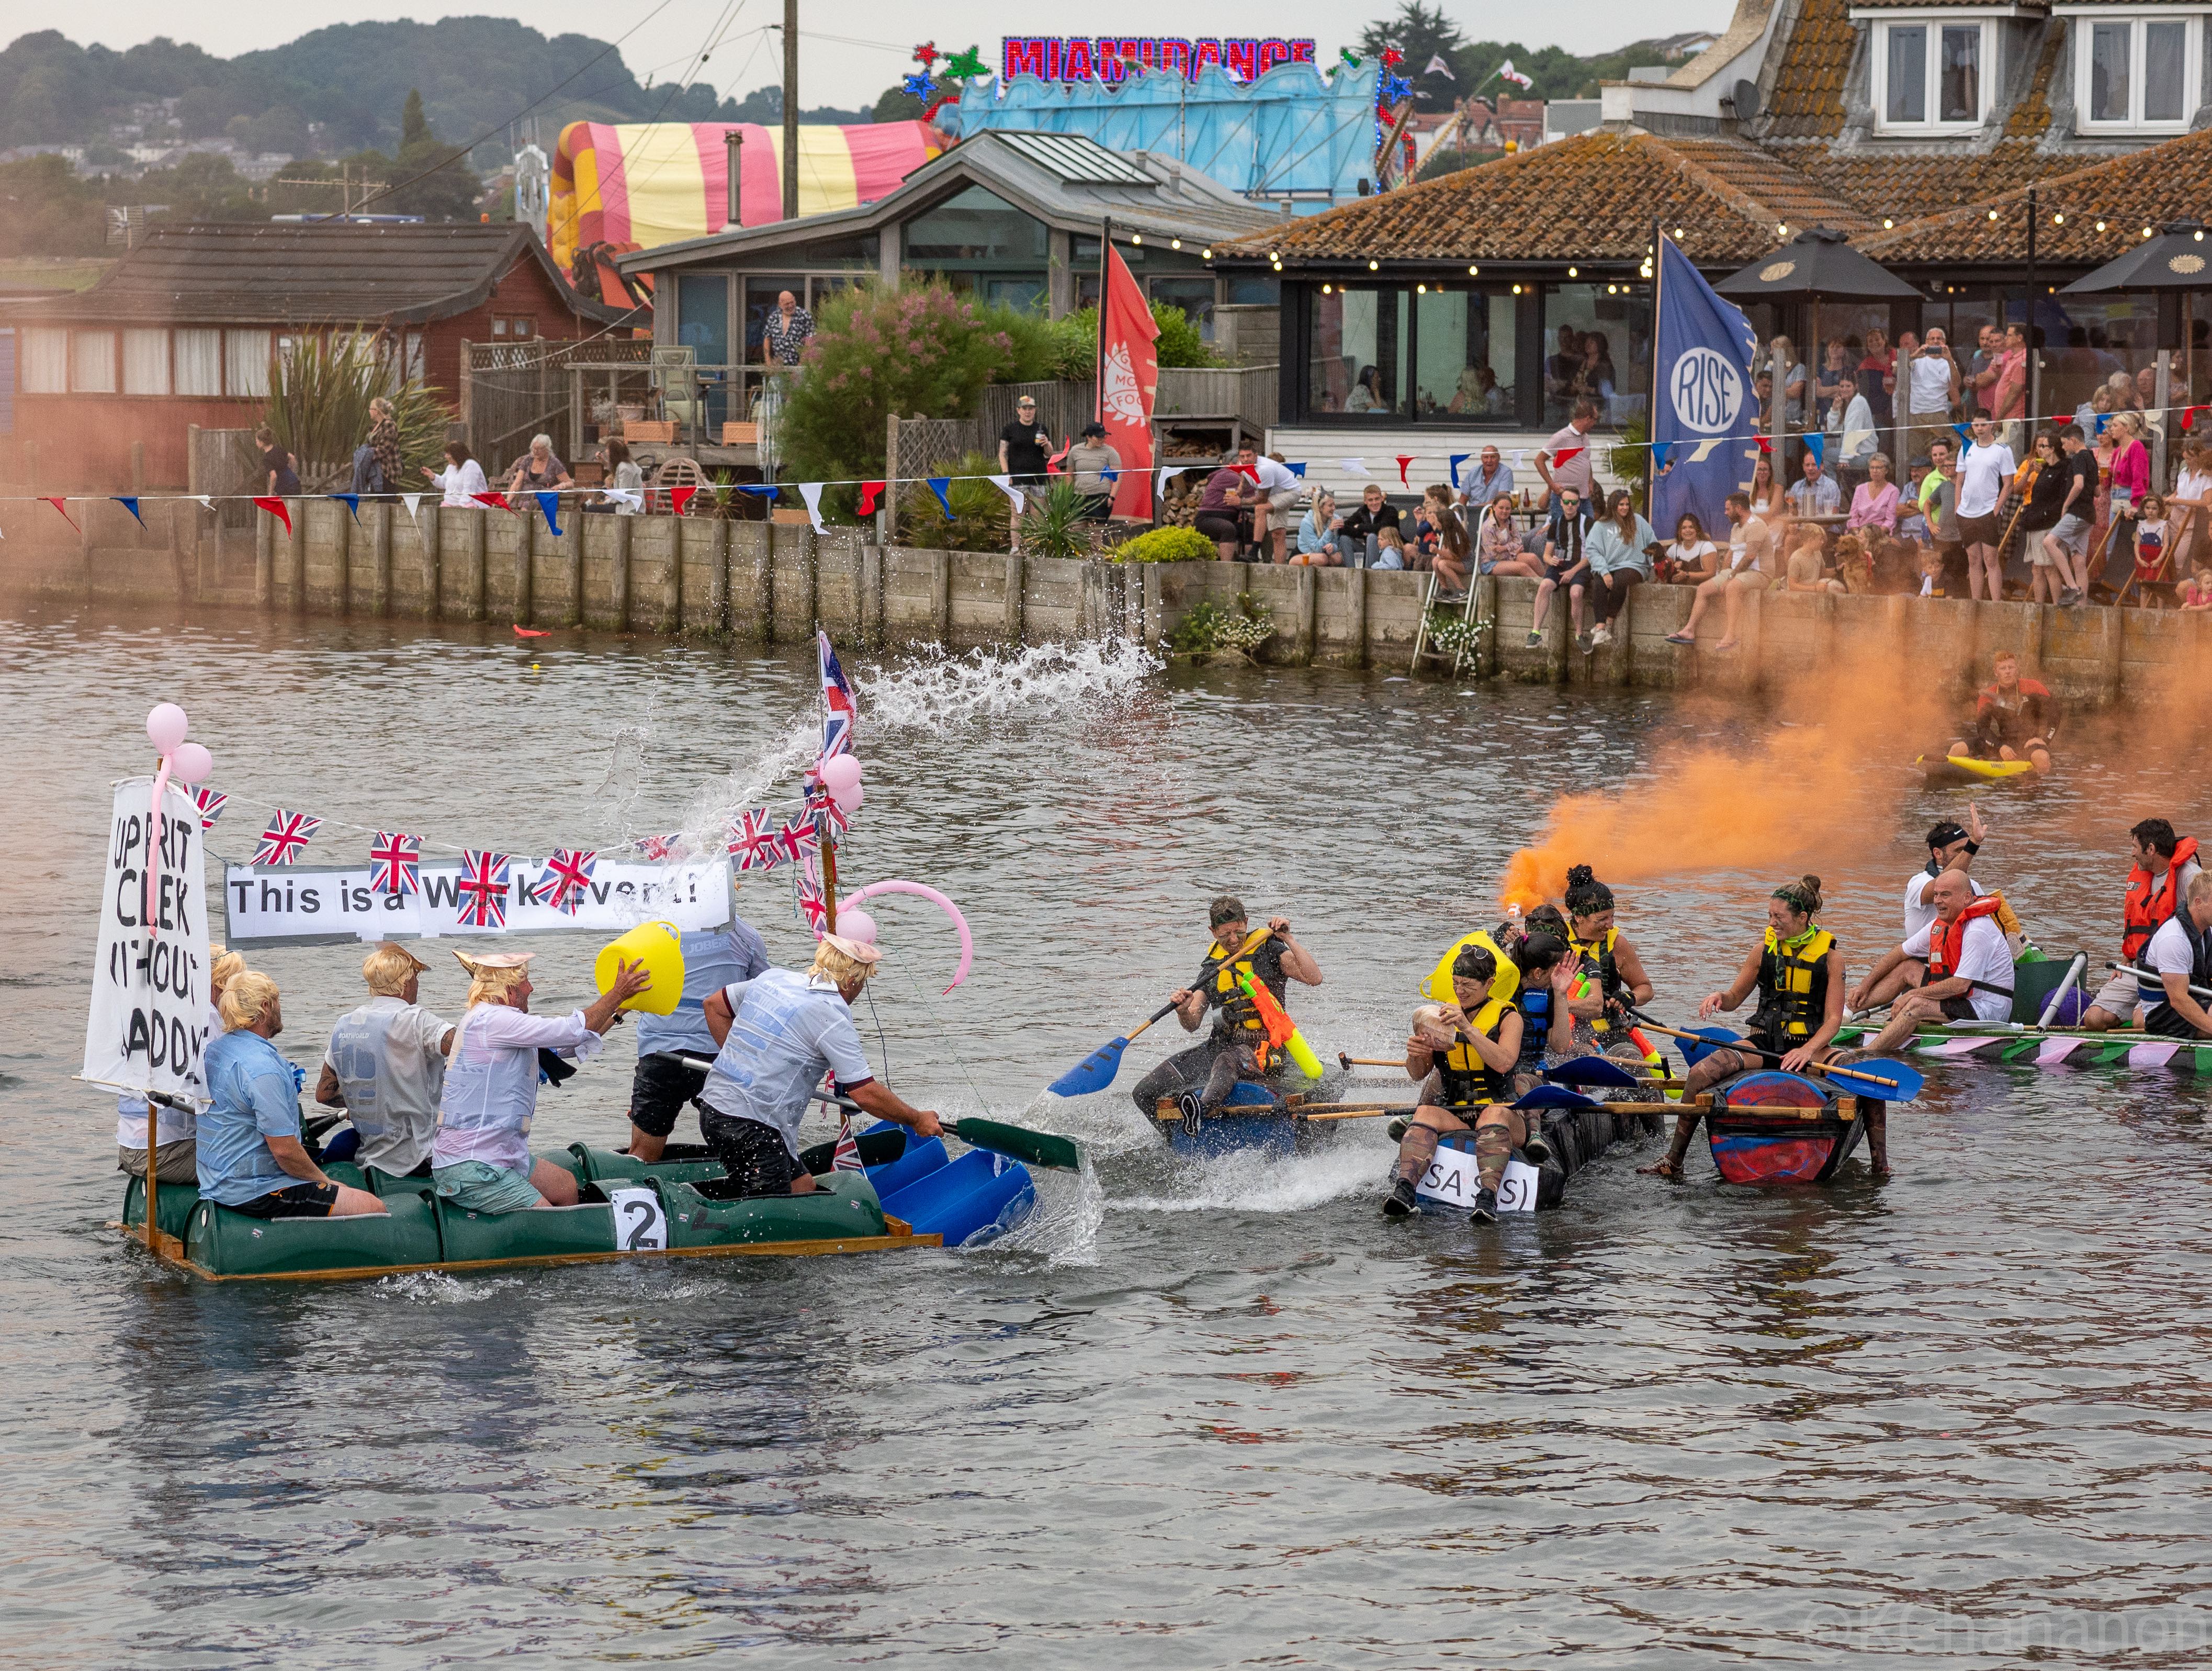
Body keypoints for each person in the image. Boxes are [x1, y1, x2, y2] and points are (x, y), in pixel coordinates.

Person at [1641, 877, 1858, 1179]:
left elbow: (1834, 1018)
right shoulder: (1762, 951)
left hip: (1811, 1047)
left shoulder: (1832, 959)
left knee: (1870, 1078)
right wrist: (1720, 998)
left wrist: (1807, 1050)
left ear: (1803, 918)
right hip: (1763, 1044)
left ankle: (1880, 1164)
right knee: (1700, 1073)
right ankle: (1674, 1160)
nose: (1772, 924)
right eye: (1770, 916)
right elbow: (1734, 998)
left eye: (1779, 918)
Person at [698, 933, 942, 1195]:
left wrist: (746, 1062)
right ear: (851, 981)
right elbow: (865, 1094)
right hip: (751, 1128)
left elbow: (714, 1006)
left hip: (712, 1109)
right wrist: (917, 1119)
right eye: (863, 984)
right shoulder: (831, 1015)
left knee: (803, 1187)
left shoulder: (775, 978)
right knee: (779, 1213)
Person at [430, 950, 650, 1212]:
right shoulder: (493, 1020)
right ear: (509, 989)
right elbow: (571, 1029)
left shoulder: (500, 1024)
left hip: (501, 1154)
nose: (531, 988)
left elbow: (570, 1042)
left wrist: (618, 1010)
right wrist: (617, 993)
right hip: (473, 1164)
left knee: (565, 1186)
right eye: (525, 982)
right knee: (548, 1216)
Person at [1380, 943, 1551, 1225]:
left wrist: (1468, 1028)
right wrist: (1415, 1055)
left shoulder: (1510, 1018)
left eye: (1468, 985)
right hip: (1457, 1113)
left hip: (1503, 1113)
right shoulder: (1439, 1017)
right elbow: (1418, 1074)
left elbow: (1505, 1063)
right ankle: (1405, 1192)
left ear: (1489, 984)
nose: (1460, 991)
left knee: (1493, 1114)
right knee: (1424, 1114)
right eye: (1457, 983)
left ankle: (1486, 1199)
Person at [198, 971, 387, 1219]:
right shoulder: (262, 1069)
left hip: (216, 1182)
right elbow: (285, 1151)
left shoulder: (214, 1051)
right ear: (266, 1007)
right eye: (277, 1001)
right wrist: (326, 1181)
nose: (280, 1008)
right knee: (373, 1207)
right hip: (256, 1191)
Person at [1128, 896, 1324, 1126]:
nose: (1233, 940)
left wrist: (1288, 938)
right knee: (1144, 1092)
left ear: (1246, 922)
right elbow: (1192, 1024)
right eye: (1225, 935)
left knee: (1226, 1060)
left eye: (1238, 931)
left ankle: (1200, 1109)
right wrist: (1182, 1010)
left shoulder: (1269, 949)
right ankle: (1174, 1143)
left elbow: (1314, 978)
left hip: (1264, 1050)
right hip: (1219, 1046)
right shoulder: (1212, 966)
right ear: (1213, 932)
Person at [625, 913, 772, 1164]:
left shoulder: (650, 932)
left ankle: (633, 1186)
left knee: (643, 1153)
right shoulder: (746, 937)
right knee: (740, 1147)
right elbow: (768, 994)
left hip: (659, 1053)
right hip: (715, 1057)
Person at [314, 943, 456, 1179]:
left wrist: (365, 1104)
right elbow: (466, 1046)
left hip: (369, 1155)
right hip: (420, 1159)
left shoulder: (345, 1024)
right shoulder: (416, 1020)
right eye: (416, 977)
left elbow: (324, 1094)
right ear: (406, 983)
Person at [118, 945, 243, 1184]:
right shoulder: (205, 1015)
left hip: (130, 1144)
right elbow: (217, 1083)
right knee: (258, 1159)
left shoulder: (155, 1007)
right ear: (219, 984)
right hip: (163, 1151)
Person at [1845, 810, 1985, 1015]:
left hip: (1961, 971)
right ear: (1938, 854)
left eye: (1967, 850)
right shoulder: (1918, 883)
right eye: (1959, 851)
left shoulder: (1972, 887)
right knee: (1906, 967)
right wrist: (1974, 843)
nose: (1967, 856)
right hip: (1924, 969)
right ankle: (1845, 1014)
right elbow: (1939, 885)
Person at [1861, 871, 2015, 1056]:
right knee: (1907, 968)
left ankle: (1865, 1053)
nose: (1937, 901)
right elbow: (1899, 953)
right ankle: (1846, 1014)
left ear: (1967, 897)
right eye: (1936, 894)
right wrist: (1865, 986)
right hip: (1962, 997)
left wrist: (1911, 996)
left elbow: (1960, 984)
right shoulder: (1941, 924)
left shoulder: (1978, 931)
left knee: (1917, 1004)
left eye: (1945, 895)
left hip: (1986, 1007)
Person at [2081, 819, 2202, 1031]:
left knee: (2143, 1021)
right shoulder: (2141, 875)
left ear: (2151, 849)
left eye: (2135, 847)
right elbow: (2137, 925)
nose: (2132, 854)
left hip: (2172, 971)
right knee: (2094, 1018)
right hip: (2140, 969)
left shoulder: (2190, 877)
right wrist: (2127, 958)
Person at [1559, 865, 1656, 1053]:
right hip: (1565, 1031)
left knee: (1629, 1057)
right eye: (1602, 919)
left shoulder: (1618, 945)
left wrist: (1631, 998)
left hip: (1610, 1030)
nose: (1610, 926)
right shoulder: (1557, 941)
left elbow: (1646, 989)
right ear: (1579, 917)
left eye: (1612, 917)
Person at [1665, 490, 1770, 650]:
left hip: (1759, 574)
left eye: (1728, 509)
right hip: (1738, 573)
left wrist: (1730, 577)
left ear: (1739, 509)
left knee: (1732, 586)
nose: (1725, 512)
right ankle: (1689, 631)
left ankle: (1731, 635)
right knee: (1703, 588)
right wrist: (1724, 574)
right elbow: (1731, 553)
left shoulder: (1756, 525)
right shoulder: (1736, 527)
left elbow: (1749, 557)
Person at [1948, 650, 2056, 775]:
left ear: (2017, 669)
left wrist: (2044, 740)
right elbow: (1983, 729)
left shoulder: (2033, 687)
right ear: (1996, 672)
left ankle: (2038, 782)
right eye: (2003, 668)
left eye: (2011, 667)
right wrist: (2000, 747)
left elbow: (2056, 710)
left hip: (2029, 743)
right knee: (1956, 749)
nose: (2008, 671)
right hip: (2002, 742)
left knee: (2041, 758)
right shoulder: (1988, 695)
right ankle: (1950, 779)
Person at [2140, 871, 2212, 1039]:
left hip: (2196, 996)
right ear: (2198, 903)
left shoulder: (2207, 930)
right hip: (2163, 1013)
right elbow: (2179, 1000)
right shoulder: (2174, 939)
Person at [1954, 416, 2016, 600]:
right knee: (1973, 560)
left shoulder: (2002, 449)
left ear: (1991, 426)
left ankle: (1995, 604)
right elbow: (1959, 481)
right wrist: (1957, 508)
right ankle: (1976, 603)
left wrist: (1996, 509)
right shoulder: (1967, 447)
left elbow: (2009, 484)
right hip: (1966, 512)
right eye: (1976, 425)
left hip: (1988, 511)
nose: (1979, 429)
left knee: (1991, 559)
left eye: (1983, 425)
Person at [1583, 488, 1654, 649]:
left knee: (1620, 580)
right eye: (1621, 504)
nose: (1625, 508)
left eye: (1627, 504)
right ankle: (1600, 628)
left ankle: (1609, 623)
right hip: (1610, 566)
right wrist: (1604, 571)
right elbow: (1592, 550)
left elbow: (1652, 542)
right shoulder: (1601, 525)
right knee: (1599, 582)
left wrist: (1653, 565)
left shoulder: (1639, 521)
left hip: (1635, 565)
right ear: (1613, 506)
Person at [1526, 486, 1590, 646]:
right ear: (1561, 503)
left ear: (1578, 504)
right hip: (1561, 563)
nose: (1570, 505)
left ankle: (1579, 634)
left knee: (1576, 593)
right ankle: (1536, 632)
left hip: (1581, 564)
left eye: (1573, 502)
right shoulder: (1556, 524)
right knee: (1544, 586)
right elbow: (1547, 553)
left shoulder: (1588, 523)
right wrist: (1550, 560)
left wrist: (1572, 571)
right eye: (1567, 502)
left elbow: (1592, 556)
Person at [2041, 424, 2097, 605]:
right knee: (2079, 561)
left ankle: (2073, 588)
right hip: (2089, 514)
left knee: (2049, 543)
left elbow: (2079, 484)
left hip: (2078, 512)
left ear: (2073, 441)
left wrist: (2066, 505)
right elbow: (2097, 491)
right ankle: (2082, 606)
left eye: (2065, 444)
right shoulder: (2092, 458)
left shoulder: (2079, 458)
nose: (2063, 448)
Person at [2011, 431, 2069, 604]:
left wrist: (2045, 470)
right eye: (2039, 445)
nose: (2041, 450)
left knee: (2050, 567)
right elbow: (2015, 489)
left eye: (2045, 446)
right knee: (2036, 568)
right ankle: (2039, 606)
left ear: (2053, 449)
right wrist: (2028, 472)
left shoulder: (2057, 467)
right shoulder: (2028, 464)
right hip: (2031, 514)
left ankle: (2057, 606)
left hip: (2048, 517)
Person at [1235, 444, 1303, 560]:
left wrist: (1240, 501)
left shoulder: (1264, 469)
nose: (1245, 459)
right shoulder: (1242, 465)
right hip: (1275, 495)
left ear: (1256, 455)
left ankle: (1254, 552)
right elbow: (1245, 479)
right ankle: (1279, 570)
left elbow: (1262, 499)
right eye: (1242, 456)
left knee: (1260, 508)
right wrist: (1238, 492)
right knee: (1278, 534)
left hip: (1291, 492)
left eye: (1248, 455)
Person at [1920, 438, 1967, 596]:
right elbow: (1927, 504)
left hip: (1960, 538)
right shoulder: (1944, 486)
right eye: (1944, 466)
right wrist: (1930, 524)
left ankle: (1959, 600)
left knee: (1960, 572)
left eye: (1950, 466)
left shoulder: (1967, 486)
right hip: (1942, 537)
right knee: (1941, 572)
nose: (1946, 468)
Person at [1535, 399, 1599, 511]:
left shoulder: (1586, 437)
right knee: (1562, 528)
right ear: (1588, 419)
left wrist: (1590, 481)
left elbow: (1586, 461)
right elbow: (1539, 460)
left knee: (1588, 527)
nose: (1595, 424)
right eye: (1595, 420)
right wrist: (1552, 485)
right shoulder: (1561, 437)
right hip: (1564, 498)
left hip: (1584, 498)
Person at [1193, 459, 1255, 560]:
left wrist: (1241, 513)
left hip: (1228, 518)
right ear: (1232, 465)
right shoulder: (1228, 475)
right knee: (1228, 529)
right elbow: (1251, 489)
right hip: (1207, 519)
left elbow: (1238, 499)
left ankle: (1250, 562)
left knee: (1249, 529)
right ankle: (1227, 568)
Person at [1415, 485, 1471, 595]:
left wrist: (1438, 552)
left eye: (1436, 522)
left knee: (1442, 564)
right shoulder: (1446, 534)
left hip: (1466, 563)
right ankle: (1445, 588)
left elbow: (1456, 557)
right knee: (1436, 561)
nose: (1434, 524)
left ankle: (1462, 590)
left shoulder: (1456, 535)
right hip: (1455, 561)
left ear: (1444, 523)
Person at [1830, 373, 1877, 500]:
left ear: (1856, 387)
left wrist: (1844, 458)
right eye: (1842, 386)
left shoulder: (1859, 402)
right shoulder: (1847, 403)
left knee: (1824, 454)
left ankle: (1836, 495)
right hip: (1855, 453)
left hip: (1865, 455)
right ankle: (1839, 492)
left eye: (1848, 386)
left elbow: (1853, 432)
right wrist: (1835, 410)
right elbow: (1833, 430)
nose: (1844, 389)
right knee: (1824, 452)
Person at [1338, 482, 1405, 570]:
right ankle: (1353, 573)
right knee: (1344, 539)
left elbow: (1382, 528)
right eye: (1371, 500)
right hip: (1369, 551)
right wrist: (1362, 533)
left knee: (1372, 537)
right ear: (1365, 501)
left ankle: (1370, 574)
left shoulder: (1390, 511)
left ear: (1382, 499)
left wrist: (1360, 527)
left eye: (1377, 499)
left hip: (1387, 554)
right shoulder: (1362, 512)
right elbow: (1343, 528)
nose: (1374, 503)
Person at [1067, 423, 1124, 523]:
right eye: (1098, 437)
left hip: (1100, 496)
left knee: (1096, 533)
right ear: (1089, 437)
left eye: (1104, 436)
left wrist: (1112, 497)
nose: (1102, 439)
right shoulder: (1075, 451)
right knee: (1076, 530)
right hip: (1079, 497)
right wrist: (1069, 496)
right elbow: (1069, 474)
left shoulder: (1110, 452)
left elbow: (1118, 475)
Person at [2126, 493, 2174, 605]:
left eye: (2154, 508)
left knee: (2158, 587)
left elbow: (2166, 545)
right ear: (2143, 509)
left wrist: (2159, 560)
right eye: (2148, 508)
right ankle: (2143, 611)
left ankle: (2160, 611)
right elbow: (2137, 544)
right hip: (2143, 560)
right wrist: (2138, 558)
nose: (2151, 511)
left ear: (2160, 510)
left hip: (2157, 560)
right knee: (2144, 587)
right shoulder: (2141, 524)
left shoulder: (2163, 525)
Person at [353, 396, 402, 496]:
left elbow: (383, 450)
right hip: (375, 471)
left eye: (371, 409)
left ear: (377, 411)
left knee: (387, 502)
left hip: (387, 471)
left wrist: (365, 456)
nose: (369, 411)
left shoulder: (389, 425)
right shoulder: (375, 426)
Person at [998, 396, 1051, 488]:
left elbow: (1050, 454)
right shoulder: (1009, 429)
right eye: (1024, 409)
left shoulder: (1042, 429)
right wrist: (1006, 474)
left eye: (1031, 409)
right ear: (1018, 410)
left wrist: (1047, 444)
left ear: (1035, 410)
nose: (1028, 412)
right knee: (1020, 503)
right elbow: (1002, 453)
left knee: (1040, 504)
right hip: (1017, 479)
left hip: (1039, 478)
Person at [1479, 493, 1535, 577]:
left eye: (1508, 509)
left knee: (1532, 558)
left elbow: (1519, 542)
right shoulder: (1488, 527)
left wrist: (1505, 548)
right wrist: (1514, 553)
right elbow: (1493, 555)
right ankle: (1544, 588)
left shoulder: (1511, 521)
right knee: (1523, 567)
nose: (1504, 511)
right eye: (1501, 508)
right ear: (1494, 507)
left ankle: (1551, 584)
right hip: (1490, 563)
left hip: (1507, 556)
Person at [423, 441, 488, 508]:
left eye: (448, 454)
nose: (445, 456)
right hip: (451, 506)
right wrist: (432, 476)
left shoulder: (471, 465)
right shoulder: (451, 467)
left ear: (456, 455)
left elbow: (469, 490)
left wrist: (460, 506)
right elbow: (443, 483)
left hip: (473, 505)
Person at [504, 434, 572, 497]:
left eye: (539, 449)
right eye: (534, 449)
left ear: (547, 449)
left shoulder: (555, 463)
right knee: (510, 506)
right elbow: (517, 483)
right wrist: (508, 500)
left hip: (544, 499)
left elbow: (570, 483)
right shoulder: (528, 460)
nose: (536, 451)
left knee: (527, 505)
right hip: (524, 497)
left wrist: (560, 487)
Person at [1785, 522, 1843, 595]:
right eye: (1820, 539)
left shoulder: (1817, 553)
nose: (1822, 542)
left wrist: (1838, 569)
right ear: (1810, 540)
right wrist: (1815, 589)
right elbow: (1792, 586)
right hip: (1800, 595)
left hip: (1813, 591)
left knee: (1840, 589)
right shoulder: (1796, 559)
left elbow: (1823, 573)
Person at [1660, 512, 1718, 585]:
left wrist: (1687, 575)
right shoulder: (1674, 548)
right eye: (1684, 528)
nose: (1688, 530)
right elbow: (1662, 569)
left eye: (1691, 527)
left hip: (1703, 591)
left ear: (1697, 530)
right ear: (1680, 531)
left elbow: (1711, 574)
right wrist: (1672, 567)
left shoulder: (1707, 546)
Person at [761, 289, 814, 365]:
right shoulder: (773, 317)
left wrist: (803, 361)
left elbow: (810, 339)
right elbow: (767, 338)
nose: (790, 306)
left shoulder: (804, 315)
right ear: (780, 304)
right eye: (787, 304)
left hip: (798, 366)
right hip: (778, 367)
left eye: (792, 302)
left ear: (795, 300)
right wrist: (768, 361)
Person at [1788, 449, 1841, 521]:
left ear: (1822, 467)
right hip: (1802, 529)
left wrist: (1813, 530)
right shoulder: (1797, 486)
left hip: (1826, 529)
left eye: (1814, 465)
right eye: (1807, 465)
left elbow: (1833, 517)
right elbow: (1792, 513)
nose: (1810, 468)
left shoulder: (1831, 486)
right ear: (1804, 467)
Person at [1292, 491, 1343, 566]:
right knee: (1322, 559)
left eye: (1334, 505)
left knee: (1337, 558)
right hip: (1304, 553)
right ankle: (1297, 565)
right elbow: (1317, 548)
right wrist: (1330, 530)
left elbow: (1337, 544)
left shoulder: (1335, 518)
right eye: (1330, 506)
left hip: (1323, 553)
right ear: (1320, 508)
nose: (1334, 508)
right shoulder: (1307, 523)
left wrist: (1333, 547)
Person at [596, 438, 644, 515]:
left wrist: (609, 500)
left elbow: (623, 495)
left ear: (614, 453)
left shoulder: (625, 468)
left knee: (591, 508)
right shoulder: (625, 464)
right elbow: (615, 470)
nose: (606, 451)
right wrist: (603, 461)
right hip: (625, 505)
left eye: (608, 449)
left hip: (630, 509)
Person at [1457, 445, 1513, 513]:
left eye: (1493, 457)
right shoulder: (1473, 472)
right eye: (1486, 457)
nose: (1489, 461)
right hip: (1473, 514)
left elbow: (1501, 500)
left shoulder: (1505, 472)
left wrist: (1475, 508)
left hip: (1494, 515)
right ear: (1482, 459)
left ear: (1499, 458)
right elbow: (1462, 500)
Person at [257, 427, 301, 498]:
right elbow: (292, 458)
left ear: (262, 442)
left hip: (285, 488)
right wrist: (291, 471)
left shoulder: (267, 458)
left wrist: (271, 493)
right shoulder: (278, 449)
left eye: (257, 441)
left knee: (285, 509)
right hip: (295, 482)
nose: (256, 443)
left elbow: (274, 476)